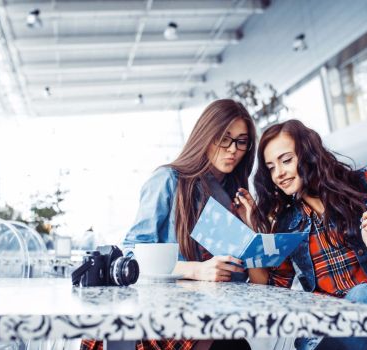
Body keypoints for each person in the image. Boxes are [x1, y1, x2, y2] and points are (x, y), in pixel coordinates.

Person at [81, 99, 256, 350]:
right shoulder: (168, 180)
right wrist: (195, 270)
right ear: (206, 136)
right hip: (165, 313)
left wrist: (252, 227)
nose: (232, 149)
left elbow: (240, 272)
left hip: (214, 310)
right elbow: (130, 255)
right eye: (224, 138)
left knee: (234, 345)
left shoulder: (234, 196)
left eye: (241, 141)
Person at [236, 119, 367, 350]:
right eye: (271, 167)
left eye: (286, 160)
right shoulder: (286, 225)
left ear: (309, 154)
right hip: (331, 332)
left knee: (365, 296)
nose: (278, 174)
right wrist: (252, 235)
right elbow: (267, 291)